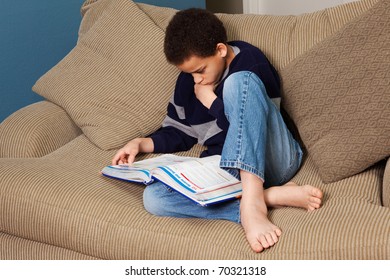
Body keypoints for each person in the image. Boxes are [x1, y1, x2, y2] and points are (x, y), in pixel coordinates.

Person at [112, 8, 323, 253]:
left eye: (200, 70)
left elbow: (254, 125)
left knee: (238, 83)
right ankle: (268, 198)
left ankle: (253, 203)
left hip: (273, 158)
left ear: (220, 50)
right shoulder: (189, 82)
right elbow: (180, 132)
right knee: (155, 198)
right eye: (188, 73)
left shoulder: (249, 63)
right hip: (227, 167)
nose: (196, 80)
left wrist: (212, 102)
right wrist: (140, 143)